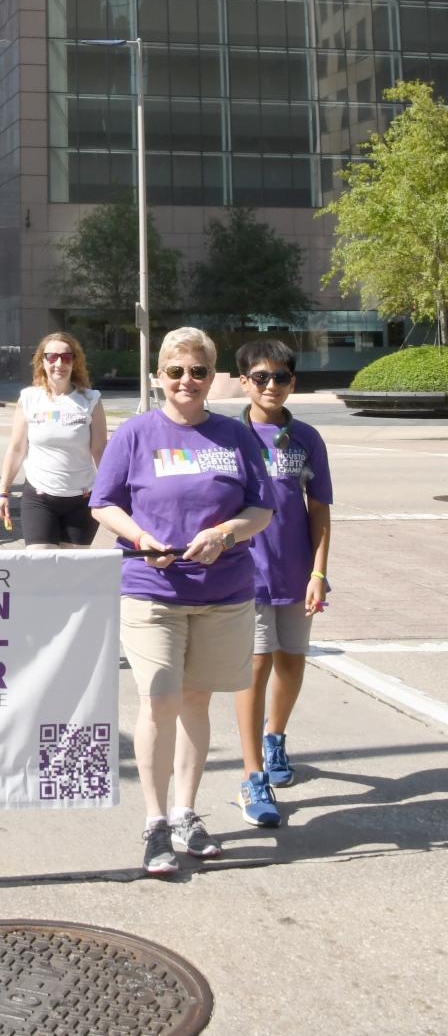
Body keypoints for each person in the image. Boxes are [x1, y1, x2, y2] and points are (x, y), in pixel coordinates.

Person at [89, 327, 274, 875]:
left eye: (197, 371)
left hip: (224, 593)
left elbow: (261, 509)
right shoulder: (135, 433)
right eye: (175, 371)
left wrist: (225, 533)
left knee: (197, 700)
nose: (186, 381)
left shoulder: (235, 436)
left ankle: (185, 813)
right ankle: (154, 822)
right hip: (152, 590)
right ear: (158, 377)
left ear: (212, 376)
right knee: (160, 699)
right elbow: (103, 503)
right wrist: (141, 538)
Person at [234, 338, 332, 809]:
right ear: (244, 382)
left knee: (291, 662)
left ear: (292, 382)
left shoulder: (307, 438)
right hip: (247, 572)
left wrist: (319, 573)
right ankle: (253, 770)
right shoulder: (230, 436)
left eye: (280, 377)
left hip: (296, 572)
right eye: (260, 377)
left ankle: (275, 738)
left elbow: (320, 510)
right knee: (255, 666)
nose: (270, 385)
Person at [0, 333, 107, 548]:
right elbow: (17, 449)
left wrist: (110, 493)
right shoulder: (29, 398)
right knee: (41, 562)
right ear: (42, 361)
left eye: (66, 357)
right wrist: (3, 492)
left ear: (75, 361)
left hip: (82, 500)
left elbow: (100, 450)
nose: (59, 364)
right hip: (39, 498)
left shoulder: (91, 399)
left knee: (73, 566)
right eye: (52, 357)